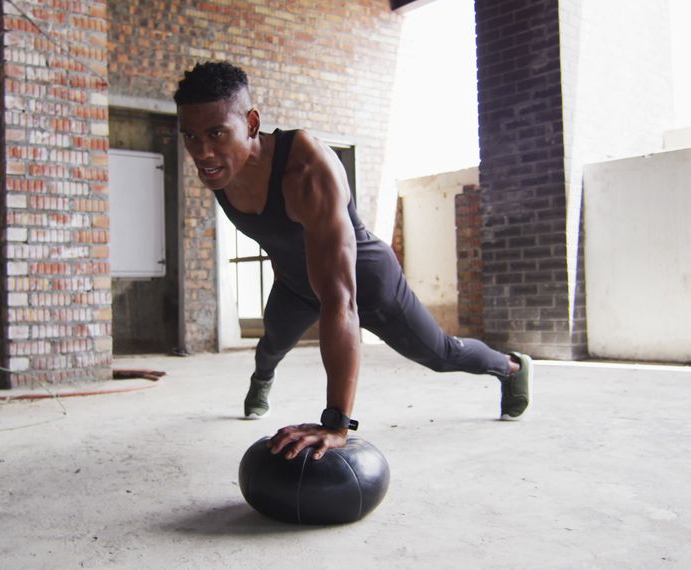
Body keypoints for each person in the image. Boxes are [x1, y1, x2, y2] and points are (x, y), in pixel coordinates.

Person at [173, 61, 532, 461]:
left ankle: (512, 368)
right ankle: (262, 381)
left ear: (252, 123)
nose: (202, 152)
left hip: (364, 283)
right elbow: (281, 237)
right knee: (271, 345)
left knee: (441, 354)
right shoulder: (221, 169)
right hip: (296, 283)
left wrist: (336, 422)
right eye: (190, 135)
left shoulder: (307, 168)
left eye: (216, 133)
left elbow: (340, 300)